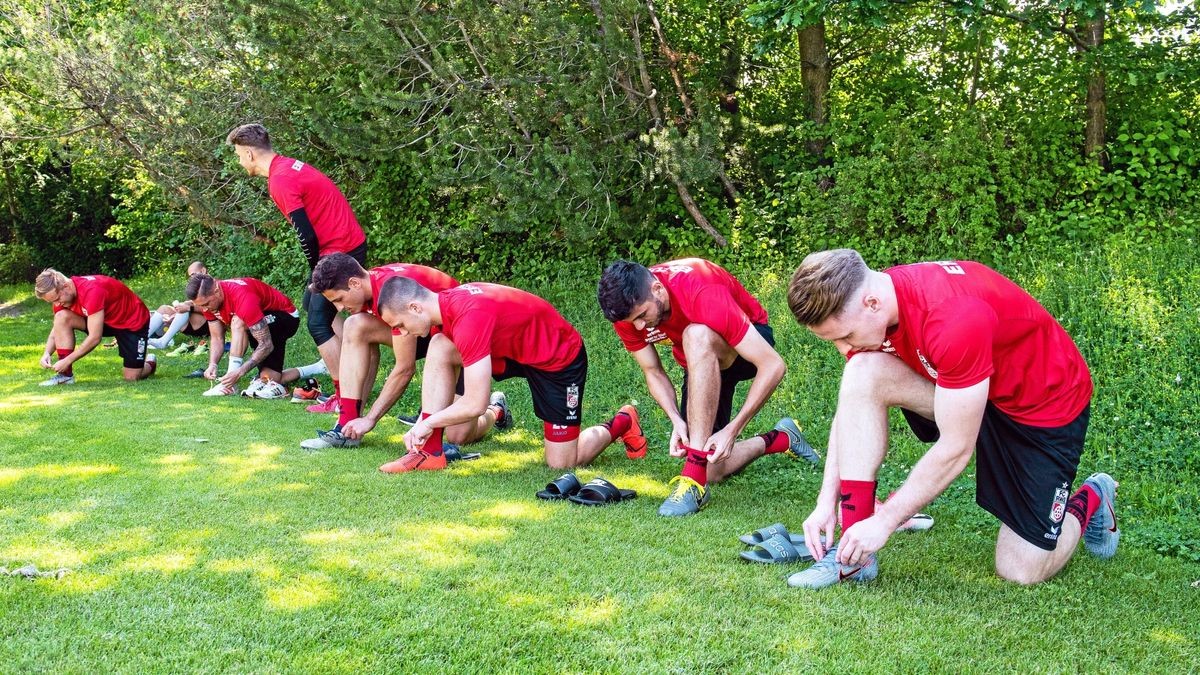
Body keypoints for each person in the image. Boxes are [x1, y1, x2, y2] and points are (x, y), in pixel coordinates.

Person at [783, 250, 1117, 589]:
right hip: (967, 391)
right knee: (861, 373)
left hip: (1041, 408)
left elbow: (957, 449)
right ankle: (853, 559)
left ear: (871, 303)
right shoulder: (877, 301)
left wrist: (884, 522)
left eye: (846, 336)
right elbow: (850, 407)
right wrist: (827, 499)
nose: (843, 347)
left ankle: (1092, 497)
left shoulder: (952, 318)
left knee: (1021, 570)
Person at [596, 259, 819, 517]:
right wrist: (676, 420)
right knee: (711, 467)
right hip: (702, 362)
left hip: (749, 344)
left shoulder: (701, 290)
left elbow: (773, 365)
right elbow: (653, 371)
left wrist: (733, 430)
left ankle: (692, 483)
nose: (638, 326)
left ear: (657, 289)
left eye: (642, 316)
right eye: (632, 321)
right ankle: (782, 438)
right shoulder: (628, 310)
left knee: (696, 334)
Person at [375, 278, 647, 474]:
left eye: (400, 326)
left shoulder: (468, 316)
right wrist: (430, 425)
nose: (405, 333)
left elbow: (473, 403)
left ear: (414, 307)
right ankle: (429, 453)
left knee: (561, 464)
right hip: (511, 352)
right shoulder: (446, 309)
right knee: (440, 348)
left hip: (557, 359)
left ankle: (622, 422)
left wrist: (426, 422)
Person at [298, 253, 509, 449]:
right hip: (426, 333)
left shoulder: (390, 292)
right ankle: (345, 428)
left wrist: (371, 418)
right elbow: (368, 356)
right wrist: (356, 420)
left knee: (459, 435)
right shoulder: (369, 286)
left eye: (339, 300)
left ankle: (496, 410)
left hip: (458, 340)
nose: (339, 308)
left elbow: (404, 369)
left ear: (354, 283)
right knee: (356, 325)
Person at [226, 123, 367, 412]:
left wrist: (317, 272)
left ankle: (345, 397)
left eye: (239, 156)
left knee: (317, 321)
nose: (239, 162)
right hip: (344, 244)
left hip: (340, 248)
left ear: (250, 153)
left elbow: (306, 233)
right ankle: (351, 370)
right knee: (316, 308)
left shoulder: (280, 180)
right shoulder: (287, 167)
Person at [184, 273, 325, 397]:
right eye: (201, 305)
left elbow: (266, 344)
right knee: (272, 379)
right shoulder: (208, 302)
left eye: (206, 304)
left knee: (238, 320)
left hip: (285, 317)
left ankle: (229, 385)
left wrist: (239, 372)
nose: (204, 309)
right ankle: (319, 367)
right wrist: (212, 364)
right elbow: (217, 337)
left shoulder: (242, 297)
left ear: (216, 290)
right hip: (256, 323)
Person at [34, 269, 157, 384]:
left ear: (66, 286)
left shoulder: (92, 291)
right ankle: (65, 376)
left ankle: (150, 363)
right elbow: (57, 327)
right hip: (103, 319)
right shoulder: (63, 298)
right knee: (61, 316)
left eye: (57, 299)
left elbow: (95, 338)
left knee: (131, 377)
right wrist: (47, 353)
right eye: (52, 302)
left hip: (131, 321)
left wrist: (67, 360)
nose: (56, 304)